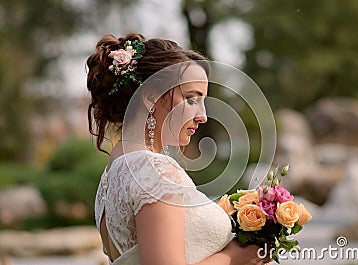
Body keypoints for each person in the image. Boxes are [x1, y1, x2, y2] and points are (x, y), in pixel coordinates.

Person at [86, 33, 269, 265]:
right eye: (191, 99)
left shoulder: (113, 173)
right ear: (151, 96)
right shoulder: (154, 171)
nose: (202, 116)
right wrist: (237, 255)